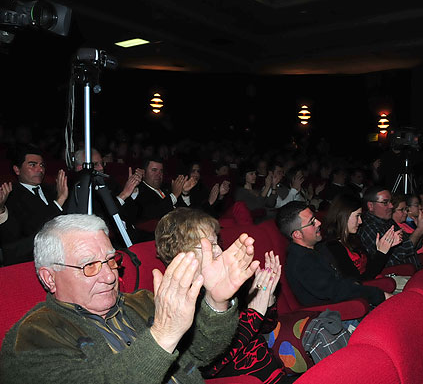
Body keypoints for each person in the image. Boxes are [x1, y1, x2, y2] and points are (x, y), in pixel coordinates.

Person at [0, 214, 259, 383]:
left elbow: (201, 354)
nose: (110, 277)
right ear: (49, 278)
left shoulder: (141, 301)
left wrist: (216, 301)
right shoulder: (31, 337)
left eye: (111, 260)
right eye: (89, 266)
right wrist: (162, 335)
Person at [155, 208, 293, 383]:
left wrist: (268, 294)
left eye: (217, 243)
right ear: (180, 253)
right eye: (210, 245)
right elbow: (210, 365)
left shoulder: (227, 280)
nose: (219, 250)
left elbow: (266, 326)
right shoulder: (178, 302)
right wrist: (254, 312)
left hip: (273, 368)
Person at [276, 201, 390, 307]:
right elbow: (337, 292)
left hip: (354, 301)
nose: (319, 223)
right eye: (312, 222)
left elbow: (347, 281)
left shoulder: (318, 248)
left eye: (315, 218)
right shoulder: (302, 262)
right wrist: (379, 296)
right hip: (338, 315)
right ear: (297, 235)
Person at [0, 145, 67, 265]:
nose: (40, 169)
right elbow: (33, 231)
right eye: (32, 165)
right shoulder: (10, 196)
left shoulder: (53, 190)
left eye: (42, 165)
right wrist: (59, 201)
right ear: (17, 170)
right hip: (27, 262)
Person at [322, 194, 401, 281]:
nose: (360, 221)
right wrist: (381, 253)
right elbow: (357, 281)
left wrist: (385, 249)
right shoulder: (333, 246)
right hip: (361, 291)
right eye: (357, 216)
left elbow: (370, 269)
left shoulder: (353, 238)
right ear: (344, 216)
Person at [358, 186, 423, 269]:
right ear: (371, 206)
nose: (391, 206)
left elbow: (414, 246)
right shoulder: (369, 227)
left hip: (411, 271)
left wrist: (421, 228)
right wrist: (420, 229)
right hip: (396, 276)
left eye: (391, 202)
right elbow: (400, 253)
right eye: (385, 202)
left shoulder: (388, 221)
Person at [132, 157, 194, 223]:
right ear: (143, 173)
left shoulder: (167, 188)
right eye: (154, 170)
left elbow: (187, 212)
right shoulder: (139, 191)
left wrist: (185, 193)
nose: (159, 174)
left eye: (161, 171)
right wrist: (174, 195)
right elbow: (153, 214)